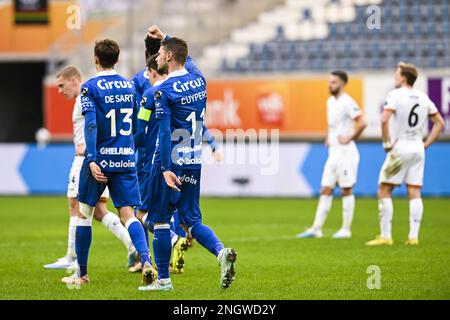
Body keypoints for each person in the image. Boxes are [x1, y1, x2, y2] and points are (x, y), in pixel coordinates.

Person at [138, 25, 236, 291]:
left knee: (158, 220)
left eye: (160, 52)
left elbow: (164, 131)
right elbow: (187, 57)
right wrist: (165, 37)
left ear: (169, 57)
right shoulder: (198, 79)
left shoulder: (163, 90)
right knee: (192, 221)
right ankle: (220, 252)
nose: (156, 56)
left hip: (169, 162)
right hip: (193, 158)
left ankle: (164, 281)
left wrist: (166, 168)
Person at [61, 39, 156, 287]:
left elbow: (90, 125)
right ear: (117, 58)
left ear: (95, 58)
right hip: (125, 158)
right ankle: (146, 260)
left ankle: (81, 274)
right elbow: (138, 125)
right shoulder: (129, 87)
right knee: (129, 215)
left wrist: (91, 158)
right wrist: (128, 147)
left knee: (85, 214)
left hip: (100, 161)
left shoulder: (90, 88)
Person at [45, 66, 139, 271]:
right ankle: (132, 246)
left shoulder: (85, 97)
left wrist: (88, 149)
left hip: (89, 160)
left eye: (62, 85)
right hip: (107, 158)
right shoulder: (86, 97)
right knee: (99, 210)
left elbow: (95, 125)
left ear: (74, 80)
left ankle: (73, 258)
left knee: (76, 207)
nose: (60, 90)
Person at [366, 62, 445, 246]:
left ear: (403, 78)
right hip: (417, 147)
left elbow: (384, 120)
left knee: (384, 189)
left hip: (401, 146)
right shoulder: (423, 97)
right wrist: (426, 144)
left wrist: (386, 143)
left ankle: (386, 236)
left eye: (397, 74)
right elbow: (440, 123)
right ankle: (413, 237)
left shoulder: (395, 95)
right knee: (414, 191)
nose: (395, 77)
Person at [297, 70, 366, 239]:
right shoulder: (330, 102)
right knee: (326, 189)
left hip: (346, 153)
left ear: (342, 84)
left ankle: (346, 229)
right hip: (333, 152)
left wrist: (350, 137)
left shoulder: (348, 102)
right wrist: (329, 137)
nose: (330, 85)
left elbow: (362, 123)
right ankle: (316, 228)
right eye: (329, 82)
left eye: (333, 82)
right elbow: (333, 125)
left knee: (346, 189)